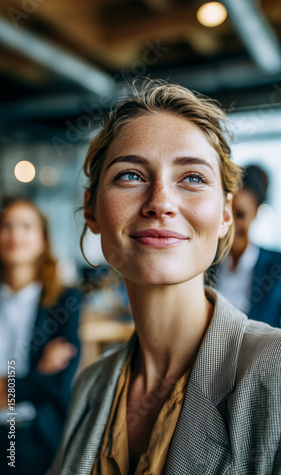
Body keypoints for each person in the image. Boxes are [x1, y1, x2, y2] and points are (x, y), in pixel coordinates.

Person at [48, 82, 281, 475]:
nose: (160, 202)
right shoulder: (91, 383)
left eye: (192, 178)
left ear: (225, 213)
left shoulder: (274, 373)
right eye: (130, 176)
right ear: (91, 210)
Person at [0, 197, 81, 475]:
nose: (15, 235)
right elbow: (43, 382)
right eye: (6, 226)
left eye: (26, 226)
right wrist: (37, 375)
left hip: (38, 435)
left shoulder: (65, 302)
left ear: (43, 239)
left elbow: (57, 385)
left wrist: (5, 390)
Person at [216, 164, 281, 327]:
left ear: (256, 213)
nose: (231, 224)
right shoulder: (208, 262)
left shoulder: (276, 268)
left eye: (240, 215)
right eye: (227, 213)